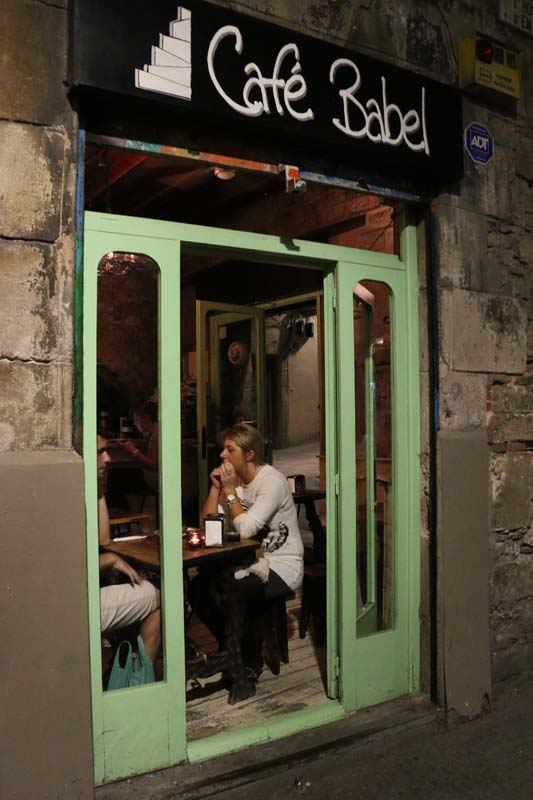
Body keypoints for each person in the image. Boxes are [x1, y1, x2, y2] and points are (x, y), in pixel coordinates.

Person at [191, 423, 303, 691]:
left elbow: (247, 528)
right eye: (223, 449)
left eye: (230, 450)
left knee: (233, 592)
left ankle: (247, 660)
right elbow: (209, 526)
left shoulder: (271, 481)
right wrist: (216, 489)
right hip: (250, 562)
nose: (222, 456)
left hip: (282, 566)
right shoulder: (234, 482)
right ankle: (237, 653)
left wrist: (230, 492)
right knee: (198, 589)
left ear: (249, 454)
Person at [97, 435, 161, 665]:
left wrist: (99, 489)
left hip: (78, 599)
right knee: (159, 597)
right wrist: (110, 560)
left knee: (131, 583)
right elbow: (74, 569)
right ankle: (139, 681)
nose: (108, 458)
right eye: (99, 452)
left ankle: (124, 664)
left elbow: (103, 538)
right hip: (78, 605)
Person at [120, 402, 159, 494]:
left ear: (147, 418)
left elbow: (154, 465)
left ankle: (121, 508)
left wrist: (134, 451)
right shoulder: (153, 432)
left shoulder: (156, 435)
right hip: (149, 476)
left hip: (154, 481)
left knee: (116, 477)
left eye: (136, 419)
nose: (134, 423)